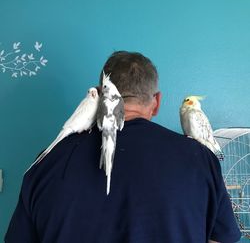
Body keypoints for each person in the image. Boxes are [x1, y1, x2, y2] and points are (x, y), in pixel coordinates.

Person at [5, 51, 241, 243]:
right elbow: (222, 238)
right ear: (156, 102)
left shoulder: (48, 161)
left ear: (98, 96)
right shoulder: (200, 159)